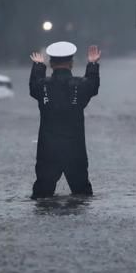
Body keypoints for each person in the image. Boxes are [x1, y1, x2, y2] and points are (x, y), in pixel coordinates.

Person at [29, 42, 101, 199]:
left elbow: (33, 86)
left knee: (41, 195)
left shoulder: (43, 86)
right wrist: (92, 64)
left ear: (51, 64)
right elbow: (93, 85)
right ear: (72, 63)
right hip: (74, 148)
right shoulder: (80, 85)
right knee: (82, 194)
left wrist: (38, 66)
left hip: (48, 149)